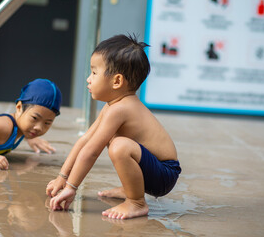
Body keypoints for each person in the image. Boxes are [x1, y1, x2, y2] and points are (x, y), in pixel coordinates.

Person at [46, 34, 181, 219]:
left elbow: (92, 152)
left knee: (119, 146)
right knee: (115, 141)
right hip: (152, 169)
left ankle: (136, 202)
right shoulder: (112, 106)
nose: (88, 79)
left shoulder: (121, 109)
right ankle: (132, 189)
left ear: (117, 81)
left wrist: (71, 187)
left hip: (164, 174)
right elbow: (85, 141)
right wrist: (62, 177)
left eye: (94, 73)